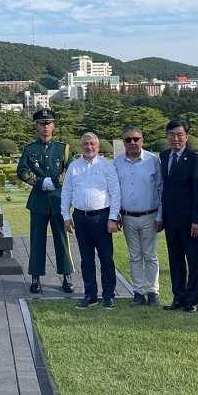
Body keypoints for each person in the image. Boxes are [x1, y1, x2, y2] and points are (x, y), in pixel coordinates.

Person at [17, 109, 75, 293]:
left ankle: (67, 276)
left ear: (54, 125)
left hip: (59, 200)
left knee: (62, 240)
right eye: (42, 123)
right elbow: (22, 171)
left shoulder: (63, 148)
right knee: (37, 241)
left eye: (48, 123)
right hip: (39, 200)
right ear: (36, 126)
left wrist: (56, 181)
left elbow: (71, 170)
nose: (45, 127)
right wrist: (41, 182)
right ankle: (35, 277)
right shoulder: (29, 149)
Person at [61, 132, 120, 309]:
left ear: (98, 146)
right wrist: (66, 216)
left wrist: (112, 218)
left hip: (102, 218)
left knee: (106, 259)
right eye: (86, 144)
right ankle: (90, 295)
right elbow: (67, 192)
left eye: (92, 144)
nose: (89, 147)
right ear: (81, 146)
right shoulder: (74, 167)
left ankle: (108, 295)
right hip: (80, 218)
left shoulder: (106, 166)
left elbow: (115, 193)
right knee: (86, 260)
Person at [159, 120, 198, 313]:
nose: (175, 138)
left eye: (179, 134)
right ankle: (178, 297)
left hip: (189, 220)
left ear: (187, 136)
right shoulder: (163, 156)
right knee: (175, 260)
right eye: (171, 134)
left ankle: (191, 300)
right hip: (171, 219)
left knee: (193, 261)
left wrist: (197, 220)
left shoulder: (195, 160)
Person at [114, 126, 162, 307]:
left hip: (150, 216)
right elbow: (114, 191)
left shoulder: (153, 160)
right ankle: (138, 293)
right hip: (127, 217)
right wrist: (115, 215)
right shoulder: (117, 162)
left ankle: (152, 292)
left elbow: (161, 189)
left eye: (136, 139)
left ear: (142, 140)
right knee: (134, 256)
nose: (132, 143)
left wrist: (161, 215)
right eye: (128, 140)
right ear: (123, 142)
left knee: (150, 255)